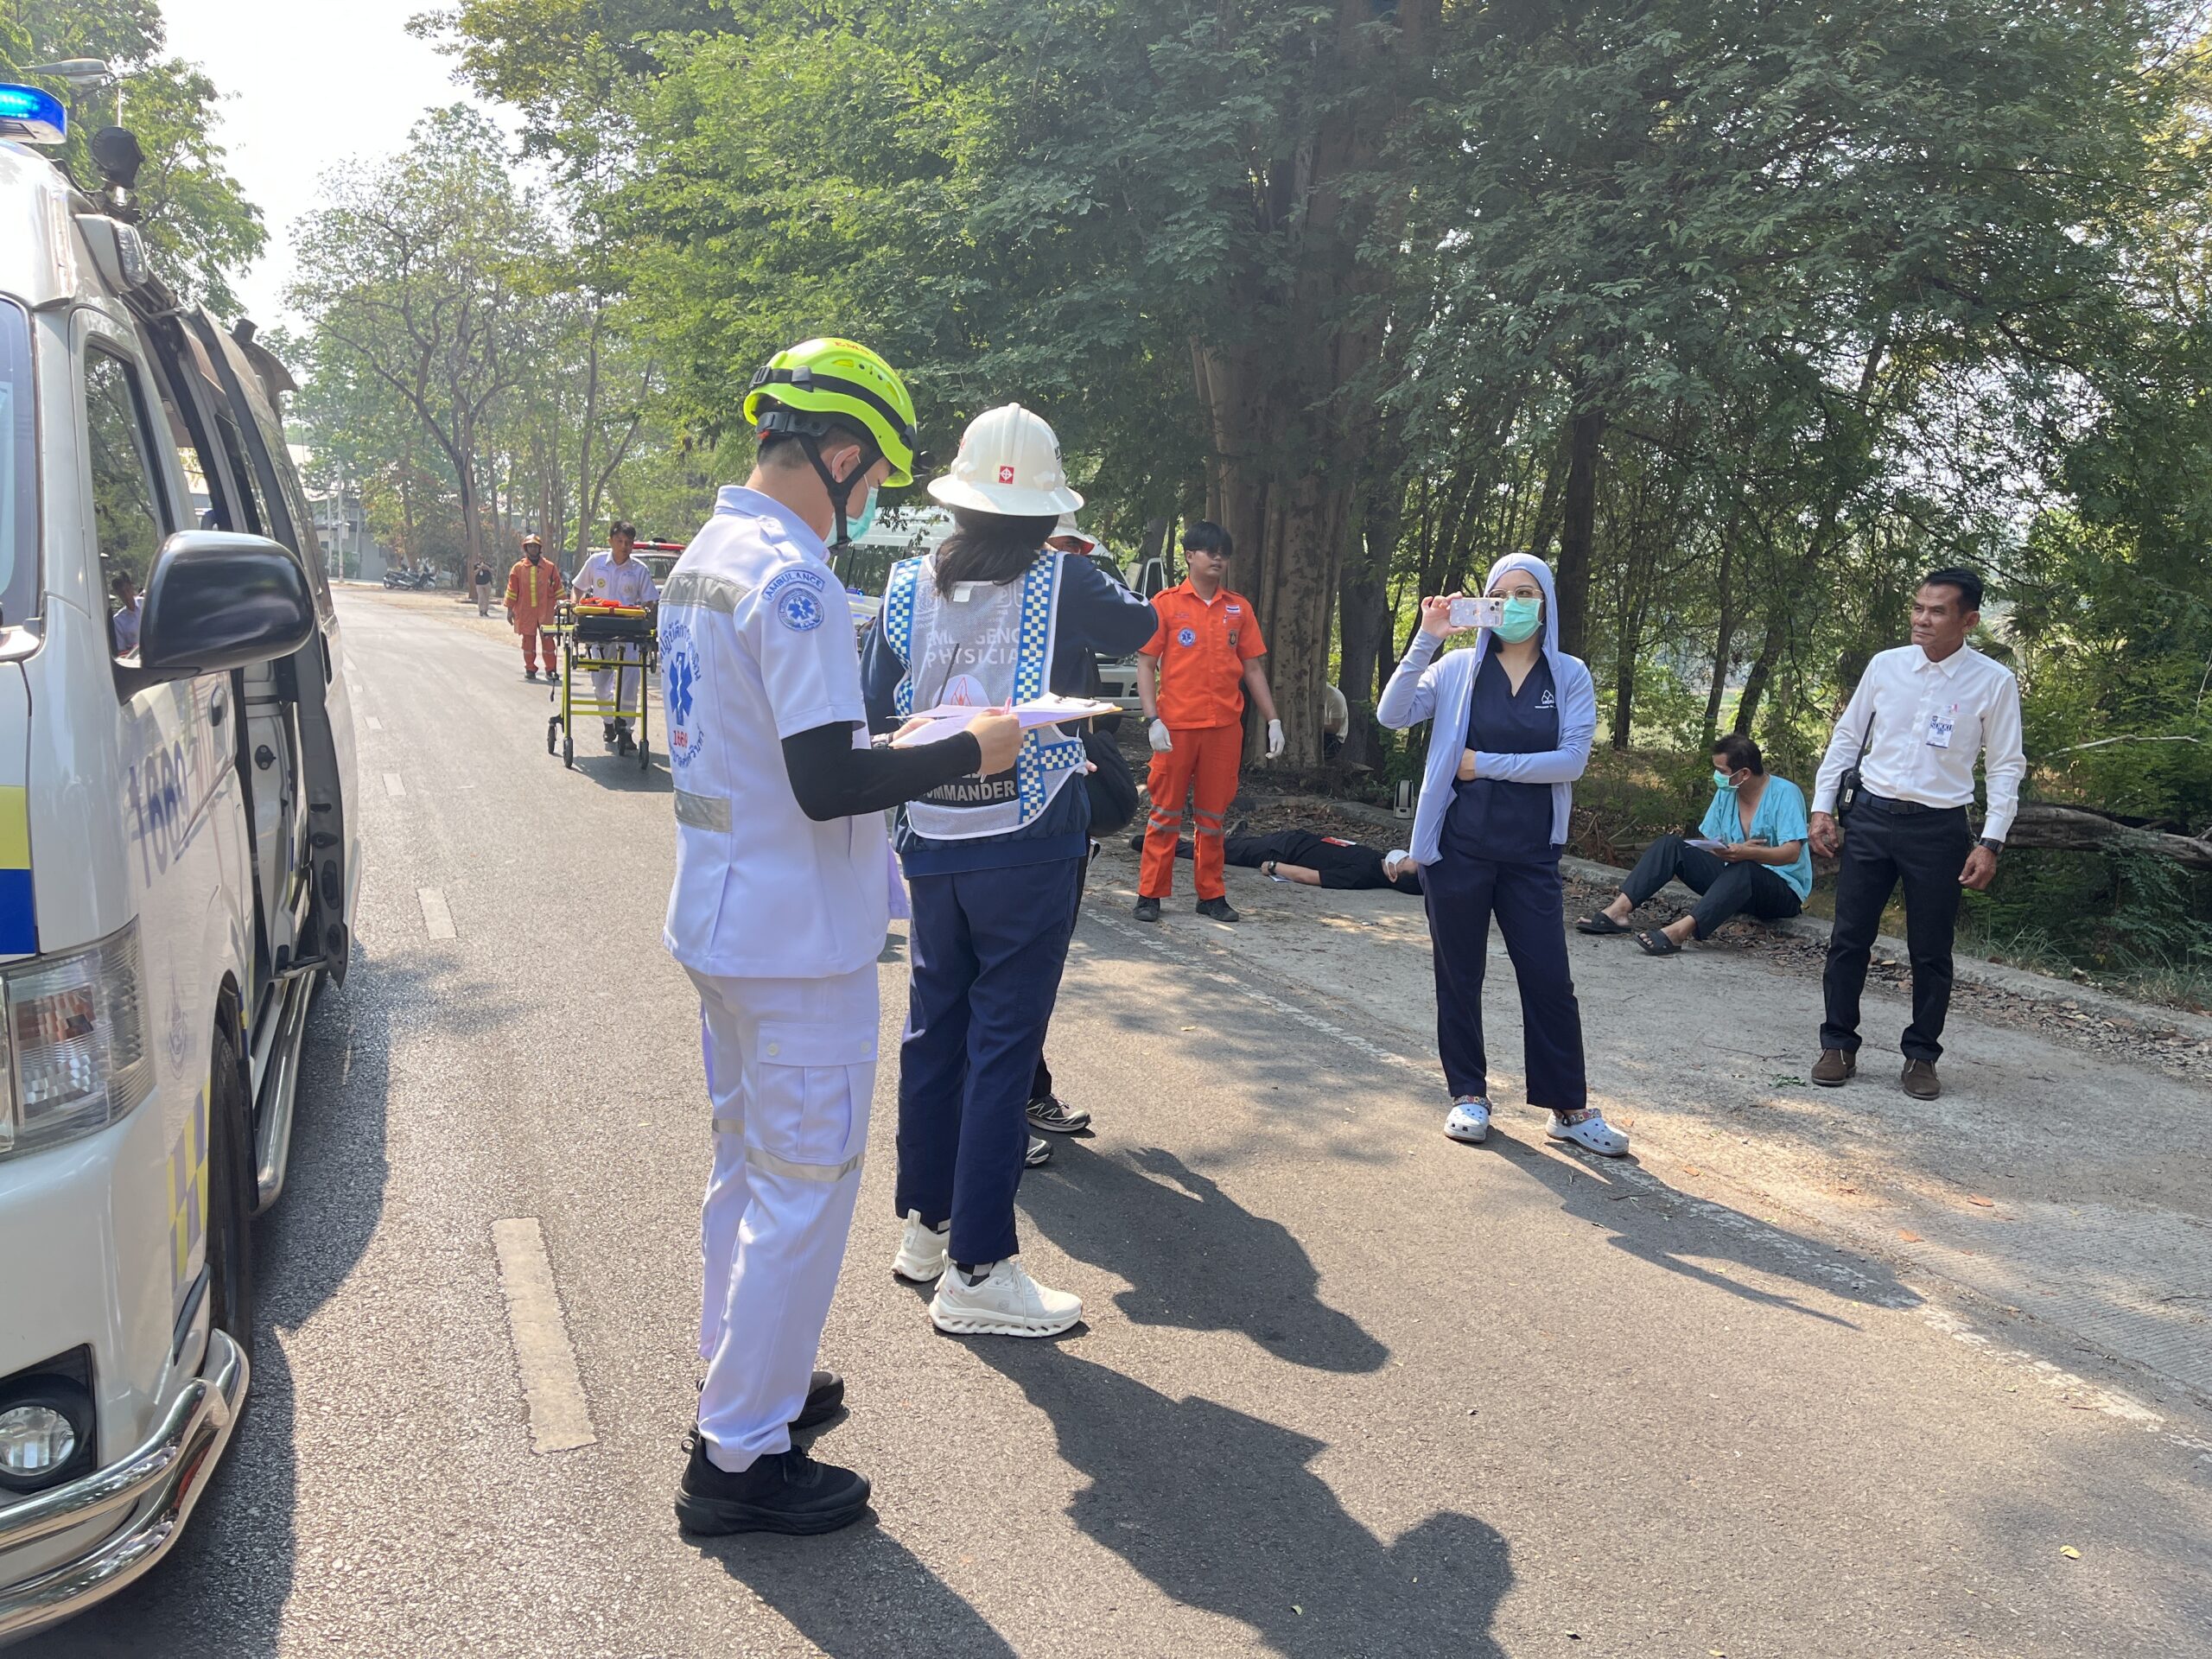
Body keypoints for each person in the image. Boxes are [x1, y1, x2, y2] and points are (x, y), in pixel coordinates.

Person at [660, 336, 1022, 1537]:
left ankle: (741, 1378)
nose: (870, 502)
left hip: (724, 920)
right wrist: (969, 746)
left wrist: (893, 741)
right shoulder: (797, 579)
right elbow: (827, 783)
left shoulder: (707, 559)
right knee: (803, 1193)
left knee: (745, 1170)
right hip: (796, 944)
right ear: (842, 452)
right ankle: (739, 1457)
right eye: (873, 479)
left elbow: (783, 750)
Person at [861, 404, 1156, 1338]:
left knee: (935, 1034)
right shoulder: (1064, 578)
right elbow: (1143, 622)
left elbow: (877, 707)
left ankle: (928, 1228)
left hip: (932, 836)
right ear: (1046, 511)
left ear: (956, 499)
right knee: (1001, 1048)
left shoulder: (904, 585)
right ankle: (981, 1269)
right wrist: (1078, 554)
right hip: (1028, 842)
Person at [1376, 553, 1627, 1156]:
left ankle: (1568, 1107)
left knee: (1549, 978)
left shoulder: (1568, 675)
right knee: (1458, 975)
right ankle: (1468, 1093)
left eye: (1525, 594)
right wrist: (1426, 639)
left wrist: (1483, 764)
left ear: (1546, 604)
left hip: (1531, 854)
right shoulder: (1458, 668)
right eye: (1501, 594)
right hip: (1457, 849)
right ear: (1483, 604)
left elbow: (1571, 761)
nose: (1512, 605)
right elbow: (1392, 714)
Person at [1807, 568, 2024, 1101]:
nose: (1922, 619)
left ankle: (1922, 1055)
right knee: (1848, 938)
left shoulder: (1992, 682)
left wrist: (1991, 841)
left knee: (1930, 949)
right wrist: (1822, 807)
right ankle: (1838, 1044)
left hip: (1938, 828)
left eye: (1937, 611)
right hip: (1871, 817)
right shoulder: (1887, 665)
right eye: (1918, 608)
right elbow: (1847, 738)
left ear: (1968, 621)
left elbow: (2005, 766)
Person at [1134, 521, 1284, 923]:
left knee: (1213, 816)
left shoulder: (1238, 608)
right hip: (1176, 727)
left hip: (1223, 728)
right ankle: (1150, 893)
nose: (1218, 559)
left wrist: (1273, 720)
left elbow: (1252, 668)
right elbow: (1146, 664)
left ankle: (1211, 894)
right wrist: (1152, 720)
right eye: (1209, 551)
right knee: (1164, 812)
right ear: (1189, 556)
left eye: (1224, 553)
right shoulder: (1165, 604)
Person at [1577, 734, 1811, 952]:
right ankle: (1618, 911)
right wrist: (1722, 851)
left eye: (1722, 771)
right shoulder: (1728, 792)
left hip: (1781, 891)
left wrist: (1749, 854)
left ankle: (1680, 932)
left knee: (1746, 869)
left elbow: (1792, 853)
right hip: (1732, 879)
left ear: (1745, 774)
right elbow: (1712, 840)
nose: (1717, 776)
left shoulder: (1785, 793)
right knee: (1670, 845)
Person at [572, 520, 662, 752]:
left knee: (629, 681)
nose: (624, 546)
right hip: (598, 631)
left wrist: (646, 613)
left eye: (628, 542)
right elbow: (578, 587)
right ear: (610, 541)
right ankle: (608, 721)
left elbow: (650, 600)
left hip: (628, 632)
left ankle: (625, 730)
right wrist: (575, 605)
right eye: (620, 541)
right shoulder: (596, 563)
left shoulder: (639, 570)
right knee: (601, 682)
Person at [505, 535, 563, 682]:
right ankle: (530, 669)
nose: (533, 549)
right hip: (526, 612)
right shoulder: (518, 568)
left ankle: (551, 670)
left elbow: (558, 588)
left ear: (539, 548)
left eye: (535, 546)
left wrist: (562, 608)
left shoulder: (550, 567)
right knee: (528, 643)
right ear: (526, 548)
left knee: (548, 642)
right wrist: (510, 610)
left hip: (546, 611)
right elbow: (512, 590)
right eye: (530, 546)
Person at [109, 572, 142, 656]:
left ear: (131, 587)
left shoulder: (146, 603)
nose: (127, 596)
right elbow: (121, 652)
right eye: (122, 593)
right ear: (118, 594)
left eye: (127, 590)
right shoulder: (118, 621)